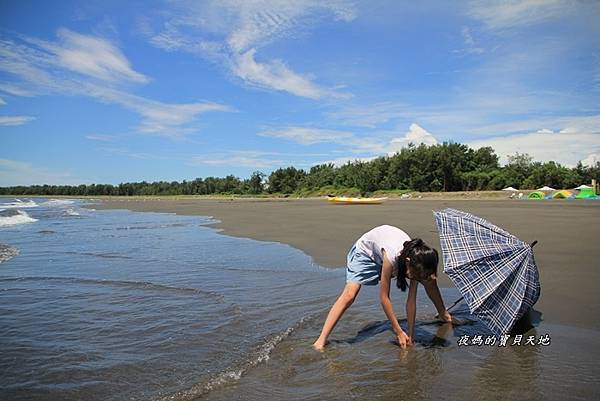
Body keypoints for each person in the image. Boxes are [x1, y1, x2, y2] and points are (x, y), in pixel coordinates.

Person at [313, 225, 455, 351]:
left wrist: (411, 335)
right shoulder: (392, 257)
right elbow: (384, 297)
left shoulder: (418, 259)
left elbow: (412, 300)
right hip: (365, 253)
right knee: (350, 294)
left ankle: (444, 314)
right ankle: (321, 339)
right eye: (418, 274)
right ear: (408, 262)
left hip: (390, 254)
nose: (419, 277)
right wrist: (398, 331)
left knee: (430, 281)